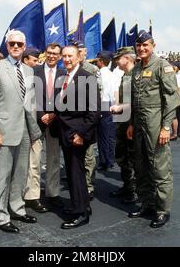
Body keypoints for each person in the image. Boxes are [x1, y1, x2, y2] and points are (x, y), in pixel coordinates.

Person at [0, 30, 42, 234]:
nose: (16, 47)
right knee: (2, 175)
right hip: (3, 131)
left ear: (24, 47)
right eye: (12, 44)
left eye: (19, 44)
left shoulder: (28, 70)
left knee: (20, 173)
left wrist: (34, 131)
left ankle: (17, 208)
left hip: (25, 129)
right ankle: (1, 216)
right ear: (6, 46)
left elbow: (30, 104)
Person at [126, 30, 180, 229]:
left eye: (145, 45)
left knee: (159, 167)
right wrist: (131, 123)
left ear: (153, 46)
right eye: (138, 46)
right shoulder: (137, 69)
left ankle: (162, 210)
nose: (141, 48)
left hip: (156, 123)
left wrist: (166, 126)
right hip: (139, 124)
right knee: (141, 166)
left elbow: (172, 99)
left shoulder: (162, 66)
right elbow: (134, 99)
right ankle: (147, 204)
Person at [56, 45, 101, 229]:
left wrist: (81, 134)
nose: (66, 59)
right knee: (75, 172)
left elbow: (94, 111)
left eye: (70, 56)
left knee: (75, 173)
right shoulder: (65, 77)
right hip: (66, 132)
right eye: (64, 56)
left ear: (79, 57)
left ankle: (80, 213)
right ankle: (82, 205)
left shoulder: (86, 77)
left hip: (77, 134)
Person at [29, 43, 67, 211]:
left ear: (59, 57)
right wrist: (41, 114)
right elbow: (29, 96)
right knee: (34, 160)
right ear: (45, 53)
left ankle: (53, 193)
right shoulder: (34, 71)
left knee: (53, 160)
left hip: (55, 123)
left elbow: (65, 99)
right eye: (49, 53)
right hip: (37, 122)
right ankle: (32, 196)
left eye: (56, 54)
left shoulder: (64, 74)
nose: (52, 56)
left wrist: (54, 114)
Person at [109, 47, 138, 204]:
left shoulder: (134, 75)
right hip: (122, 122)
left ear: (127, 58)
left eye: (118, 58)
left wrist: (119, 108)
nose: (116, 61)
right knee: (122, 156)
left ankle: (134, 190)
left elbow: (135, 103)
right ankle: (127, 186)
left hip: (129, 124)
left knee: (131, 158)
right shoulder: (126, 75)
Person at [22, 46, 49, 213]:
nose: (37, 63)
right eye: (35, 60)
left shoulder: (37, 75)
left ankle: (32, 195)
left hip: (37, 127)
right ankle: (24, 196)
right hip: (22, 128)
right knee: (25, 165)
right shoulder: (21, 76)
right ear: (26, 60)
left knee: (34, 163)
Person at [75, 41, 100, 200]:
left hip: (88, 117)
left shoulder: (92, 70)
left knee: (89, 155)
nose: (79, 53)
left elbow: (99, 93)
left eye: (81, 50)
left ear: (84, 52)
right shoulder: (67, 69)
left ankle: (89, 185)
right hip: (74, 117)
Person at [95, 50, 117, 171]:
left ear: (102, 61)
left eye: (97, 60)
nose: (96, 62)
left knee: (103, 135)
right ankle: (109, 159)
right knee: (109, 134)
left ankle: (105, 161)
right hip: (111, 103)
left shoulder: (100, 74)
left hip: (103, 104)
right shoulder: (112, 74)